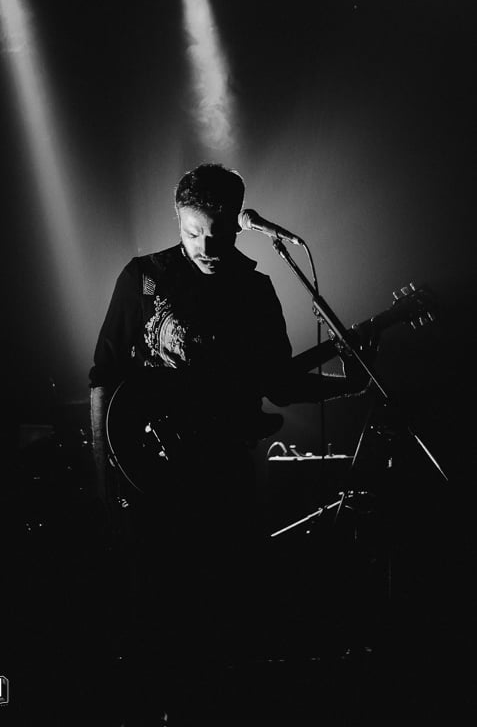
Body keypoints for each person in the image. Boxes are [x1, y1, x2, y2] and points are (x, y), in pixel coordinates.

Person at [88, 162, 373, 722]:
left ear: (240, 222)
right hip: (149, 473)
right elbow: (104, 374)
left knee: (226, 604)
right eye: (193, 232)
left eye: (218, 233)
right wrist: (104, 475)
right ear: (178, 219)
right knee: (155, 604)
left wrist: (350, 380)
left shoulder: (254, 289)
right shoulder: (143, 277)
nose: (206, 246)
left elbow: (279, 385)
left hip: (224, 472)